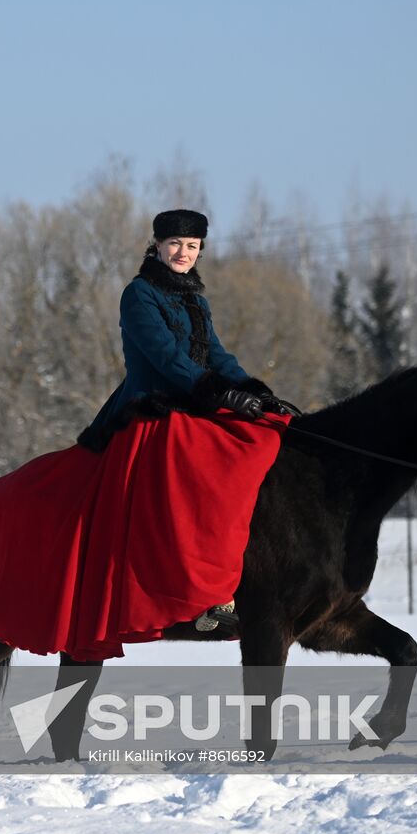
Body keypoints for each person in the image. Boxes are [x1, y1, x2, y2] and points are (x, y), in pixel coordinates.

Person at [78, 209, 298, 630]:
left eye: (192, 246)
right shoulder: (139, 294)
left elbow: (216, 354)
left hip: (198, 401)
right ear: (157, 245)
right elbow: (165, 358)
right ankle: (197, 592)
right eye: (175, 244)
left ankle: (245, 575)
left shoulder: (196, 298)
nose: (183, 253)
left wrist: (256, 391)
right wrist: (219, 393)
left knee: (261, 440)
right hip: (154, 405)